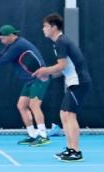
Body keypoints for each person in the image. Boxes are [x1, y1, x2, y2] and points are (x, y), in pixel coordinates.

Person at [0, 24, 51, 146]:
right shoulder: (12, 45)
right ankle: (33, 135)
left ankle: (43, 136)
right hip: (29, 80)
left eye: (3, 37)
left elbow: (1, 61)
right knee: (22, 106)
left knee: (34, 105)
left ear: (11, 35)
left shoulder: (18, 45)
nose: (1, 39)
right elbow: (0, 55)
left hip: (39, 78)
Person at [34, 13, 93, 162]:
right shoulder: (59, 43)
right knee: (64, 114)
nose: (43, 29)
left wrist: (44, 71)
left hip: (79, 82)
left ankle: (76, 152)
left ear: (54, 27)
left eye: (45, 26)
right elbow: (63, 69)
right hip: (75, 82)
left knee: (69, 115)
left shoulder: (61, 42)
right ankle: (70, 149)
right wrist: (49, 76)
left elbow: (62, 65)